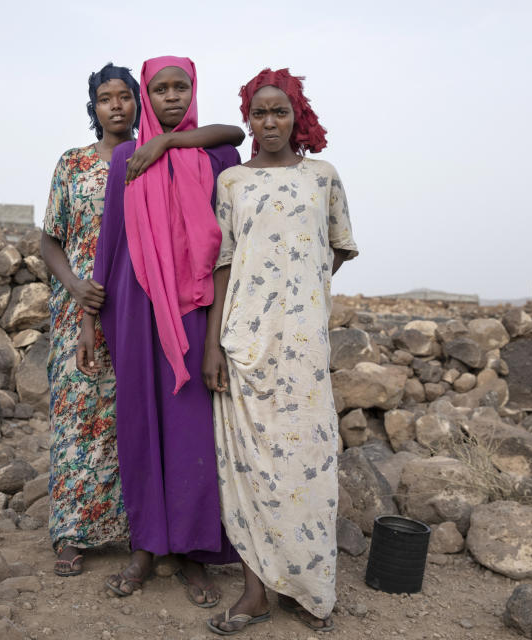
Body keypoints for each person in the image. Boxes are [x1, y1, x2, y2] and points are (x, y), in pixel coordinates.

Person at [41, 62, 243, 578]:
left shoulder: (203, 154)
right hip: (113, 305)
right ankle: (113, 537)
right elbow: (88, 242)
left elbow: (233, 136)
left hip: (185, 304)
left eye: (182, 88)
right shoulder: (102, 161)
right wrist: (86, 312)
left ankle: (177, 544)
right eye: (161, 89)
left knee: (176, 425)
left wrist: (169, 144)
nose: (170, 97)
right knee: (114, 424)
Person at [202, 68, 358, 635]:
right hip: (244, 343)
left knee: (309, 465)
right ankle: (255, 592)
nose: (270, 121)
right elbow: (224, 265)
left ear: (297, 116)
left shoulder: (323, 178)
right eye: (259, 112)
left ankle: (311, 589)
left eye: (280, 111)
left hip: (303, 348)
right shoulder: (233, 184)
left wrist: (300, 293)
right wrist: (216, 343)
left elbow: (334, 249)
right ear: (248, 118)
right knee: (247, 467)